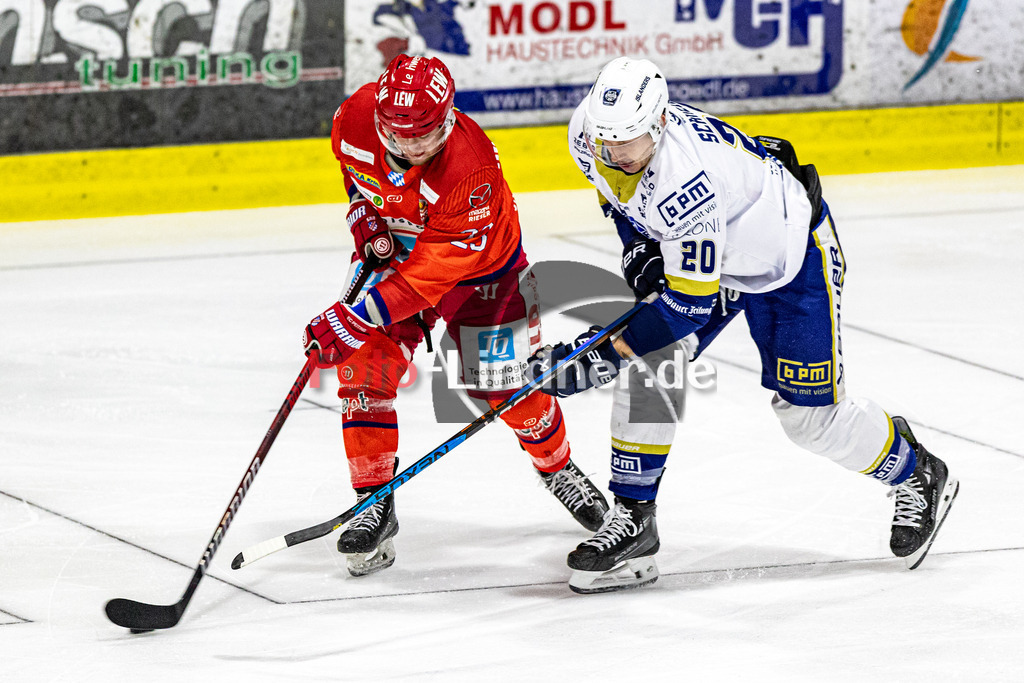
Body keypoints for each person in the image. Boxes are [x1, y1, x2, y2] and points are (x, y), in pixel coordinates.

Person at [527, 57, 959, 594]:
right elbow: (618, 197)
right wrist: (640, 248)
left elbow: (686, 306)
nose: (615, 153)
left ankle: (915, 470)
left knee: (809, 420)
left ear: (659, 125)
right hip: (715, 250)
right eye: (607, 139)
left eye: (629, 143)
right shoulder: (589, 134)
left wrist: (595, 357)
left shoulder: (687, 185)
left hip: (786, 257)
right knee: (654, 362)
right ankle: (635, 520)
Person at [302, 54, 609, 577]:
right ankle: (372, 501)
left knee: (501, 389)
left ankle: (557, 468)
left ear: (448, 117)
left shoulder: (471, 170)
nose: (414, 148)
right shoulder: (353, 117)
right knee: (363, 373)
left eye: (427, 135)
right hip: (398, 255)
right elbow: (355, 176)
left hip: (485, 273)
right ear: (378, 119)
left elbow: (428, 278)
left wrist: (351, 318)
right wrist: (362, 219)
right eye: (401, 137)